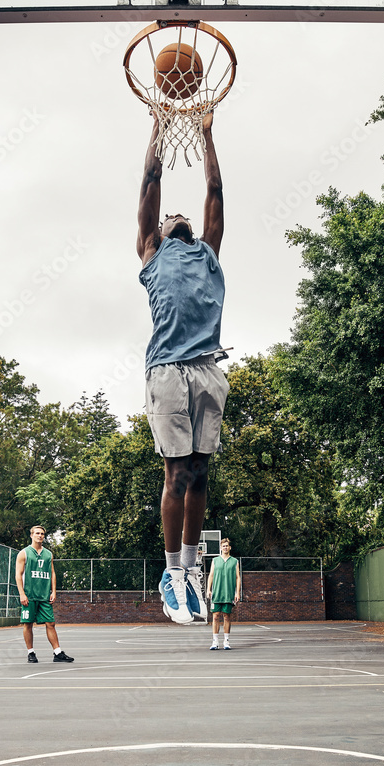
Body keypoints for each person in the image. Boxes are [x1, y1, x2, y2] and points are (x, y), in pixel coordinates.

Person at [137, 110, 229, 626]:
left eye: (181, 215)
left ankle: (192, 568)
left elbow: (215, 189)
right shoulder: (152, 250)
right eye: (169, 215)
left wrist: (208, 133)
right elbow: (150, 184)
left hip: (207, 368)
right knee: (175, 473)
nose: (177, 215)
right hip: (168, 369)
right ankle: (172, 574)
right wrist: (159, 126)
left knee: (199, 475)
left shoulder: (208, 251)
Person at [15, 525, 74, 664]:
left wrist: (54, 591)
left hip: (44, 595)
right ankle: (31, 653)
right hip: (29, 595)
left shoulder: (48, 554)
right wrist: (22, 593)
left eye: (42, 533)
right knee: (28, 624)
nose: (40, 535)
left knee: (51, 623)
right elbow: (18, 574)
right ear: (31, 535)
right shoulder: (24, 553)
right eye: (37, 533)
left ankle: (57, 653)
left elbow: (52, 573)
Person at [207, 537, 240, 650]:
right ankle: (215, 642)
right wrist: (208, 589)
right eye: (223, 546)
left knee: (227, 616)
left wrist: (237, 592)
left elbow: (237, 577)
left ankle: (226, 641)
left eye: (227, 546)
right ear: (221, 548)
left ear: (229, 548)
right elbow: (211, 575)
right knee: (215, 617)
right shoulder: (215, 560)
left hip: (228, 593)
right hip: (217, 593)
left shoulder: (235, 561)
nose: (225, 547)